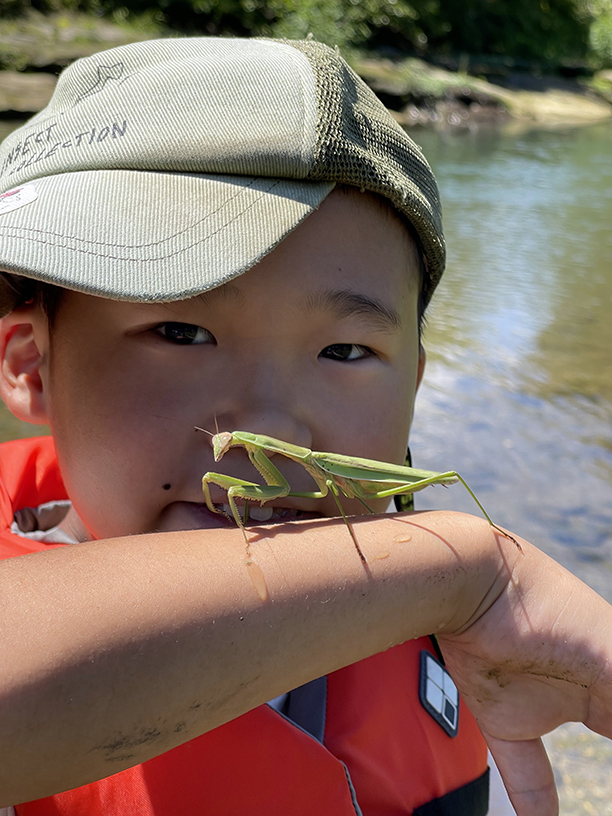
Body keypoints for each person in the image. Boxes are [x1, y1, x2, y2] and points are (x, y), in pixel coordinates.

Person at [0, 36, 610, 816]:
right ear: (31, 365)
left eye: (345, 351)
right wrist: (464, 573)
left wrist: (479, 585)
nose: (269, 423)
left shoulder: (467, 658)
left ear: (413, 386)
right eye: (182, 332)